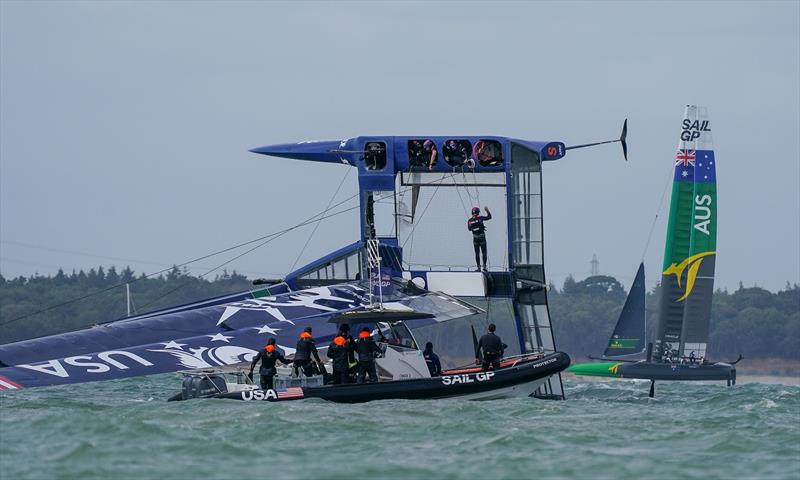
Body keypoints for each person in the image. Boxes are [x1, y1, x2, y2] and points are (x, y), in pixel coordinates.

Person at [467, 206, 492, 271]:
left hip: (475, 238)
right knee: (484, 252)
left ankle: (478, 267)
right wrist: (487, 210)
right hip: (482, 237)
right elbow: (489, 217)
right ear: (478, 212)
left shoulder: (469, 220)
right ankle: (484, 267)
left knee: (477, 253)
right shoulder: (480, 218)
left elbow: (469, 229)